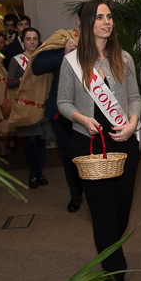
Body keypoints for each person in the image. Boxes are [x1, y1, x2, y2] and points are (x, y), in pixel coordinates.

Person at [57, 0, 141, 281]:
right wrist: (81, 118)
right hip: (90, 145)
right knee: (104, 215)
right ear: (87, 22)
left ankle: (109, 252)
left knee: (120, 213)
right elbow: (62, 103)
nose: (107, 22)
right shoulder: (72, 62)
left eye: (109, 17)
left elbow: (134, 98)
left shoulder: (124, 58)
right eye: (99, 17)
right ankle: (117, 279)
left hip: (124, 142)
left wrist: (132, 123)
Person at [32, 25, 84, 212]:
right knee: (69, 155)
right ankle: (75, 193)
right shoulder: (62, 39)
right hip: (61, 112)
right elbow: (37, 67)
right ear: (78, 20)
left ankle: (93, 192)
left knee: (91, 153)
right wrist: (64, 53)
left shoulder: (100, 42)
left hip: (90, 110)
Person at [7, 27, 48, 189]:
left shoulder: (42, 58)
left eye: (35, 39)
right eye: (28, 39)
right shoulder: (16, 60)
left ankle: (40, 173)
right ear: (23, 41)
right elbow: (9, 83)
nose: (32, 42)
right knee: (30, 141)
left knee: (41, 140)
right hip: (25, 107)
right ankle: (33, 174)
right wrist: (22, 79)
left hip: (42, 105)